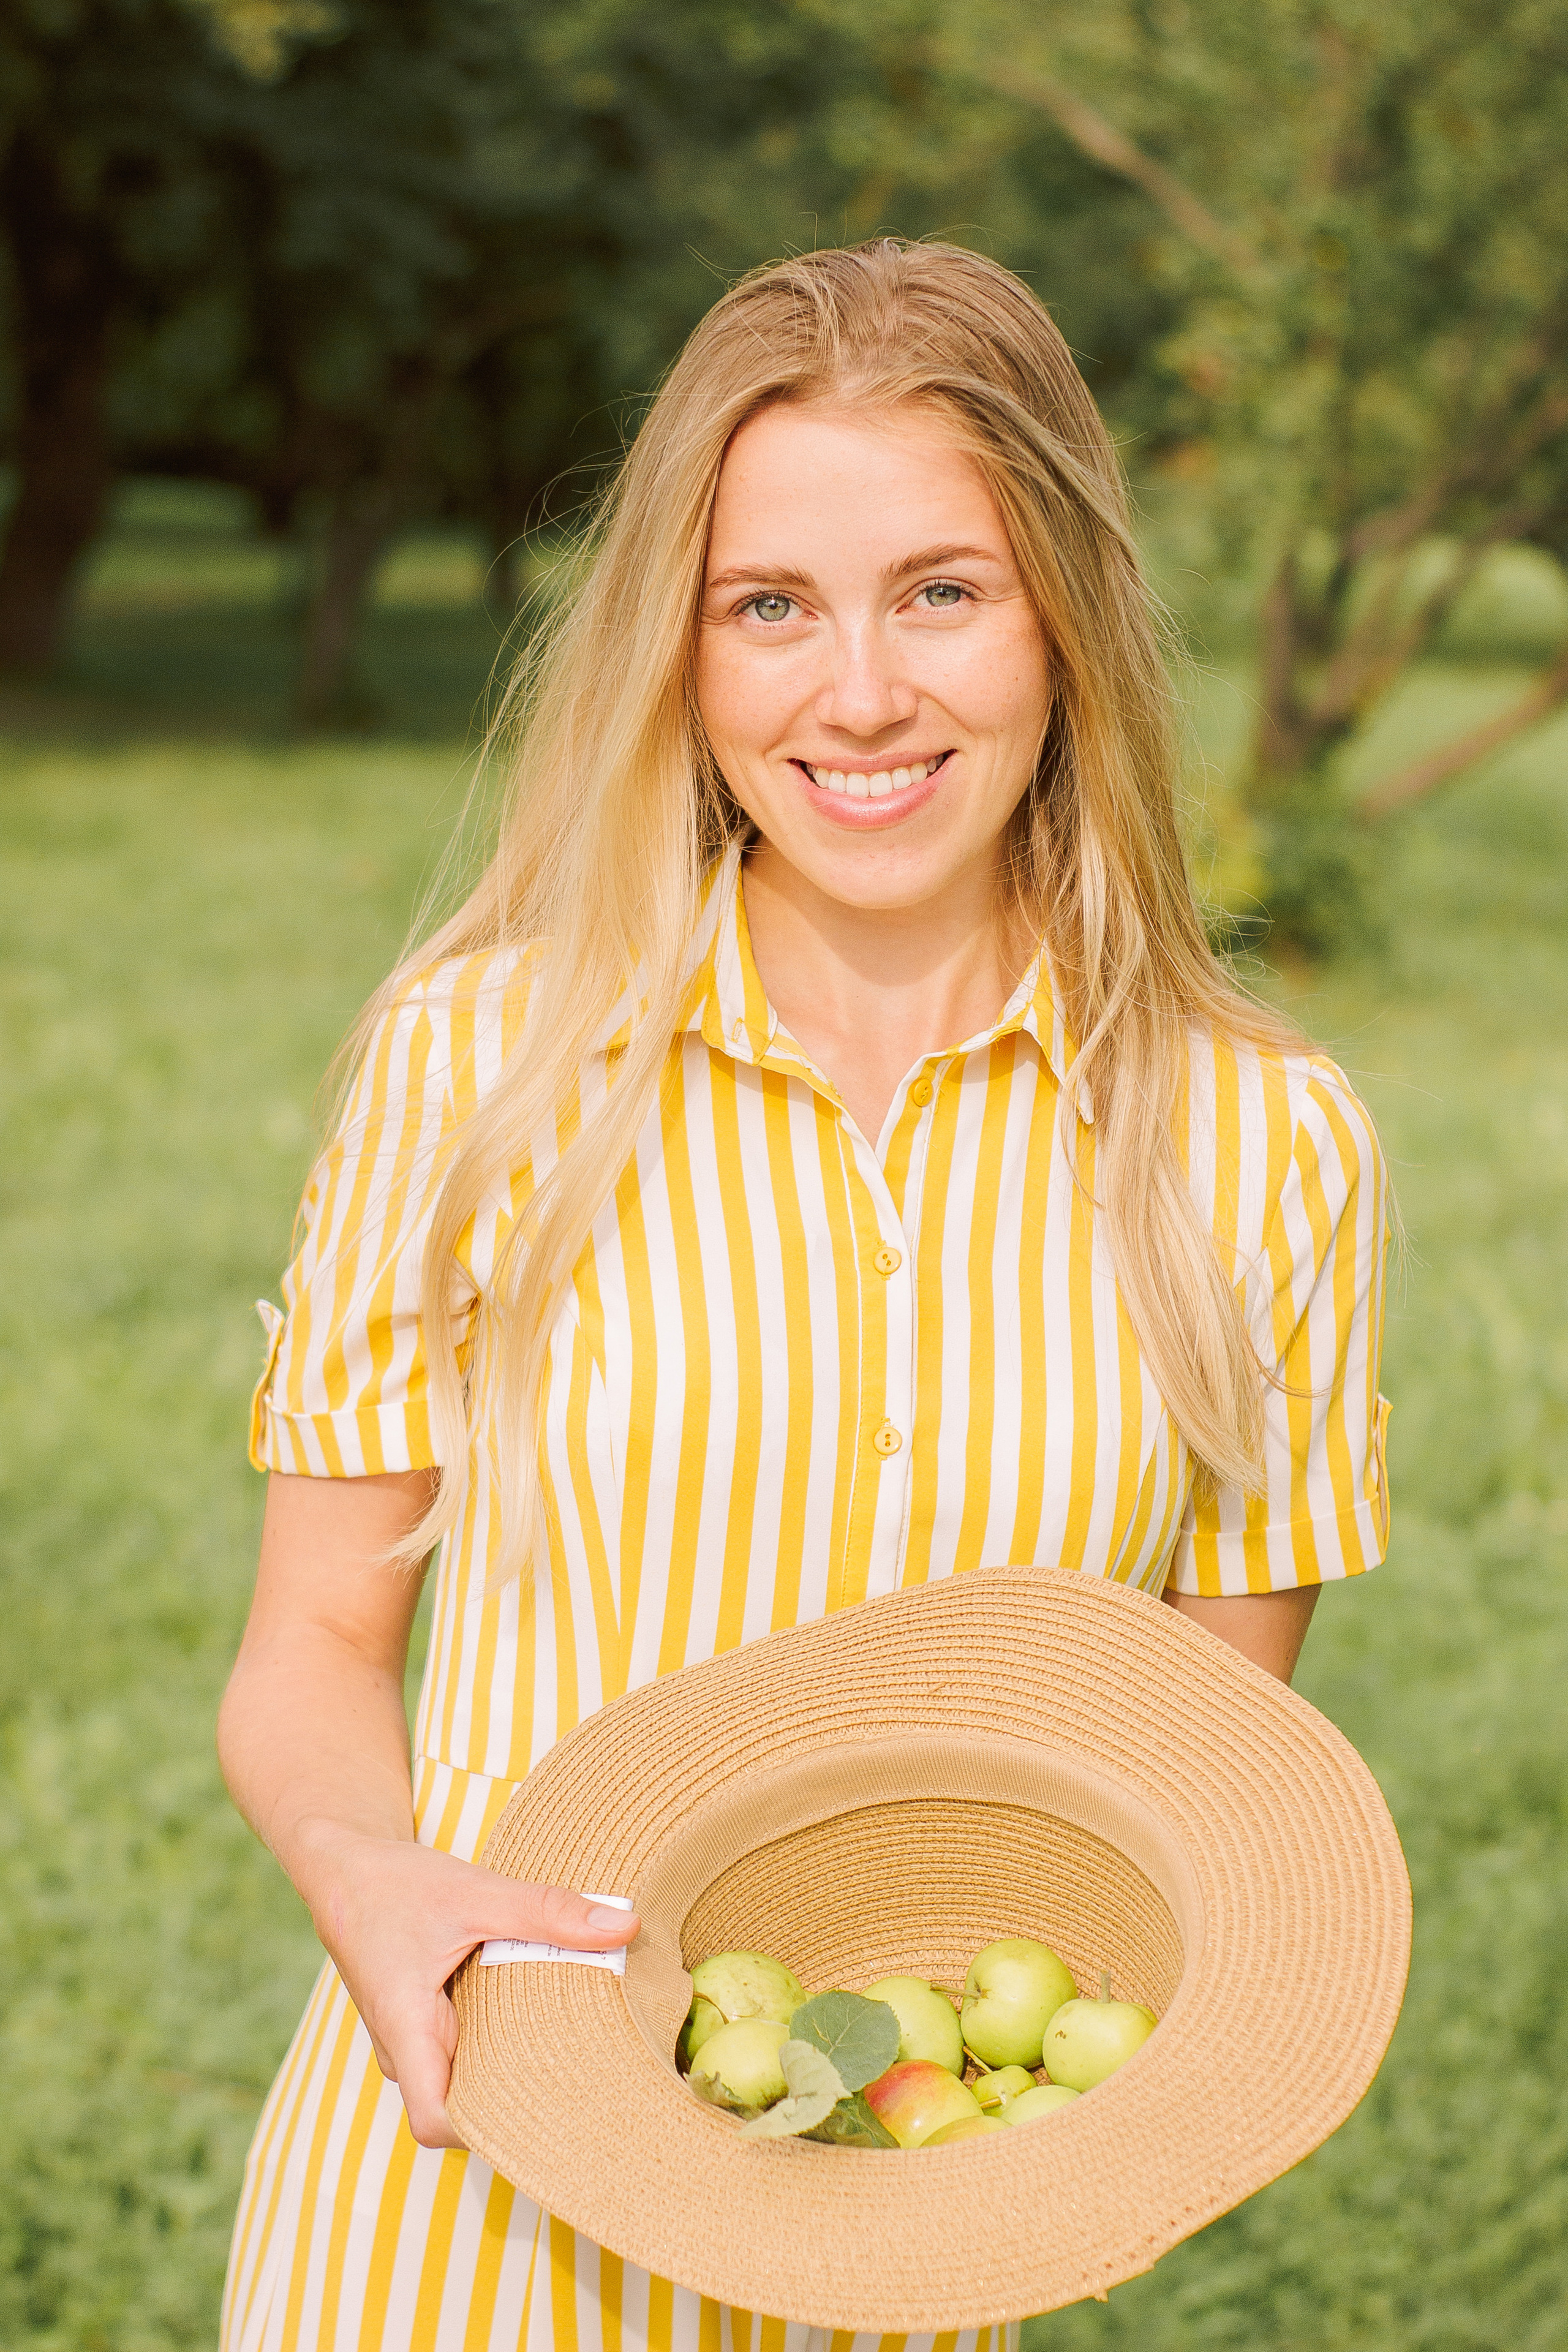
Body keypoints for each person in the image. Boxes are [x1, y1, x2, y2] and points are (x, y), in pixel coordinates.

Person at [217, 238, 1390, 2352]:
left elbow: (1213, 1790)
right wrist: (371, 1877)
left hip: (922, 2265)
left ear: (1065, 618)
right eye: (771, 606)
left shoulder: (1266, 1147)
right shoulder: (481, 1070)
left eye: (941, 590)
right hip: (452, 2214)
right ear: (683, 645)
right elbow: (307, 1644)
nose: (857, 693)